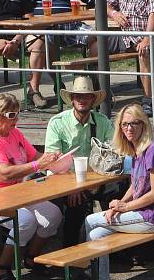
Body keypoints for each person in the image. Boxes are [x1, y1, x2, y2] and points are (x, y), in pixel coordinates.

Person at [72, 103, 154, 280]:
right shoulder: (136, 149)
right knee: (97, 235)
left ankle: (89, 274)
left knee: (91, 220)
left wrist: (124, 208)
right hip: (143, 213)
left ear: (144, 124)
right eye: (125, 124)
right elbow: (136, 186)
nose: (129, 128)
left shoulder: (153, 149)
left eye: (134, 123)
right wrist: (119, 204)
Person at [0, 93, 61, 280]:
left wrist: (55, 160)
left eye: (17, 114)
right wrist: (39, 164)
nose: (16, 119)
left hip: (16, 192)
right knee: (24, 220)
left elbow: (34, 155)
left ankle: (31, 258)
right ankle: (1, 266)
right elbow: (4, 173)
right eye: (11, 115)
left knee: (53, 214)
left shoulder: (15, 133)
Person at [45, 76, 115, 254]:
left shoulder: (103, 122)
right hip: (64, 180)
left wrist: (94, 181)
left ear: (93, 99)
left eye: (86, 96)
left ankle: (116, 250)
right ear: (72, 99)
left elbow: (113, 154)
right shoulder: (58, 123)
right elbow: (52, 163)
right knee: (75, 208)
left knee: (118, 199)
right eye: (78, 96)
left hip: (94, 179)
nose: (82, 100)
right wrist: (74, 186)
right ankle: (71, 256)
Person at [25, 0, 96, 107]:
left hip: (71, 26)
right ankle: (34, 90)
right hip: (45, 27)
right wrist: (32, 20)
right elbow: (25, 4)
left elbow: (94, 0)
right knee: (40, 42)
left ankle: (93, 82)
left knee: (96, 37)